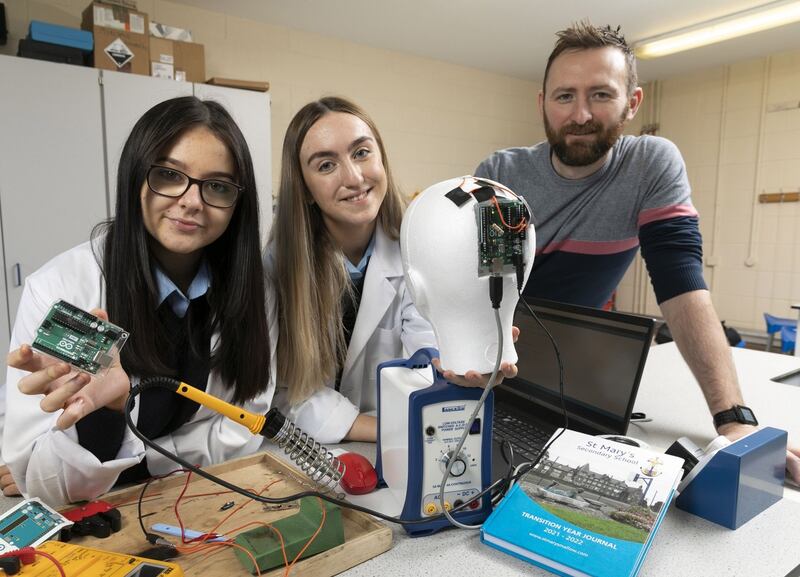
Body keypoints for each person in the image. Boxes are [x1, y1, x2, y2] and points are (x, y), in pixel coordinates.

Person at [475, 21, 799, 482]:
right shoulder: (501, 173)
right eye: (564, 96)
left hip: (576, 381)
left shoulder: (649, 164)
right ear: (542, 102)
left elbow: (681, 282)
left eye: (601, 95)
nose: (580, 114)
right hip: (496, 373)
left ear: (632, 102)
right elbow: (484, 293)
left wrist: (733, 417)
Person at [0, 96, 275, 505]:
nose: (192, 201)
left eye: (217, 186)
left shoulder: (255, 288)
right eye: (169, 175)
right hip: (108, 511)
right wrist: (108, 411)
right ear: (134, 177)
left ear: (238, 202)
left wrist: (138, 462)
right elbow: (43, 483)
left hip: (194, 497)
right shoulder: (66, 291)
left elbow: (246, 424)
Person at [270, 97, 517, 444]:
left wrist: (458, 366)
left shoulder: (419, 251)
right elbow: (283, 393)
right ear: (305, 188)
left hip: (398, 439)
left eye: (361, 153)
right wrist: (389, 431)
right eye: (326, 165)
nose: (354, 177)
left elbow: (427, 350)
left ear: (381, 159)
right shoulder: (276, 268)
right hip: (311, 445)